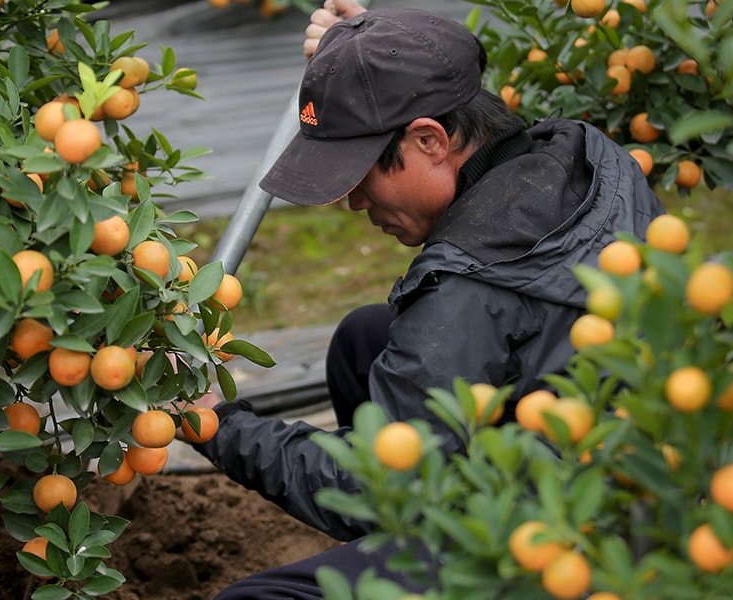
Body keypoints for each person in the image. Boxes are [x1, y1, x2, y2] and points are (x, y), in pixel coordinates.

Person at [190, 1, 665, 597]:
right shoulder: (588, 154)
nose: (355, 202)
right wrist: (365, 58)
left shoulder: (468, 285)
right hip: (644, 452)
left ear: (430, 140)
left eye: (360, 174)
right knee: (364, 341)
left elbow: (366, 483)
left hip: (582, 542)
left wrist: (218, 425)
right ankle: (397, 553)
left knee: (256, 598)